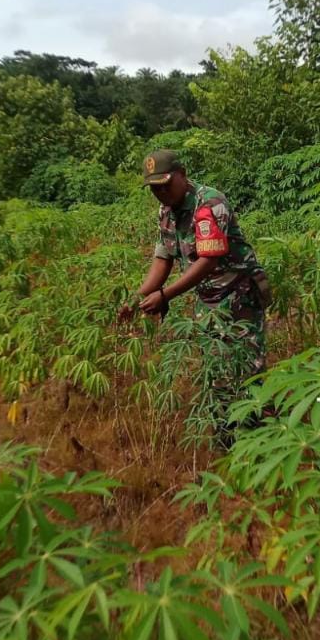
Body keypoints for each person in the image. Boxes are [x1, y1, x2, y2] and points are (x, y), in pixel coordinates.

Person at [127, 149, 271, 449]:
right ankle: (226, 442)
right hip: (209, 300)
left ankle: (261, 441)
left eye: (165, 184)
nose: (161, 192)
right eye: (154, 188)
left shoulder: (210, 203)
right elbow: (163, 258)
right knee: (216, 370)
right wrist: (137, 298)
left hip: (239, 293)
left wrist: (165, 295)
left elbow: (207, 260)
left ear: (182, 174)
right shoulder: (166, 213)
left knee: (247, 369)